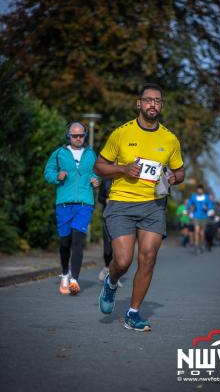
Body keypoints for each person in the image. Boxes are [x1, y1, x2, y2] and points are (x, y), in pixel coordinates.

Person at [94, 83, 185, 331]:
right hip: (121, 203)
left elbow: (180, 171)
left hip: (153, 205)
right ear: (139, 103)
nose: (152, 104)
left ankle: (133, 313)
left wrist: (175, 178)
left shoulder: (169, 139)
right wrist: (122, 168)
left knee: (148, 258)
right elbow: (99, 167)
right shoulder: (121, 134)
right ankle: (111, 283)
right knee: (123, 261)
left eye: (157, 101)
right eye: (148, 100)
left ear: (161, 106)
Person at [44, 122, 100, 295]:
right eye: (74, 135)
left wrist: (96, 180)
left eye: (81, 135)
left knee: (77, 239)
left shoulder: (91, 154)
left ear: (85, 135)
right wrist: (56, 177)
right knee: (65, 242)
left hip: (84, 203)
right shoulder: (59, 153)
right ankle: (65, 274)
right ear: (68, 136)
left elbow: (98, 172)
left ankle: (74, 279)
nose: (78, 138)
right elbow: (48, 172)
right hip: (64, 203)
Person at [97, 179, 122, 287]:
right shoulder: (106, 181)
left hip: (122, 218)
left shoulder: (124, 180)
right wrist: (105, 200)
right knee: (108, 250)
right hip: (108, 216)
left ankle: (114, 276)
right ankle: (106, 267)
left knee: (118, 248)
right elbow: (99, 198)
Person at [186, 185, 213, 254]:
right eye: (198, 189)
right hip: (196, 216)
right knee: (197, 231)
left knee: (202, 233)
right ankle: (196, 245)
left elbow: (210, 205)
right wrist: (191, 207)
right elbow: (189, 203)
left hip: (204, 217)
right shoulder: (194, 196)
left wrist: (207, 208)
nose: (199, 191)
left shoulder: (206, 197)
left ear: (203, 190)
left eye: (200, 189)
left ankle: (202, 244)